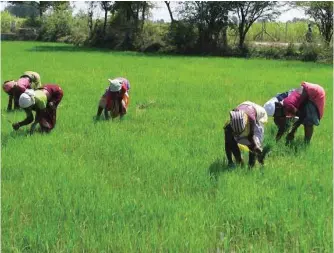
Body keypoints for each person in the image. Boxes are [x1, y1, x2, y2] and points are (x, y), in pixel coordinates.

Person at [224, 101, 268, 168]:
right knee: (230, 140)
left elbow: (252, 139)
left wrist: (256, 148)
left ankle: (251, 166)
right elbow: (227, 143)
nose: (238, 135)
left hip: (258, 113)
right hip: (243, 106)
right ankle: (239, 161)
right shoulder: (229, 125)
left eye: (240, 132)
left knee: (255, 144)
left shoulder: (252, 122)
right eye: (236, 132)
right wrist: (230, 161)